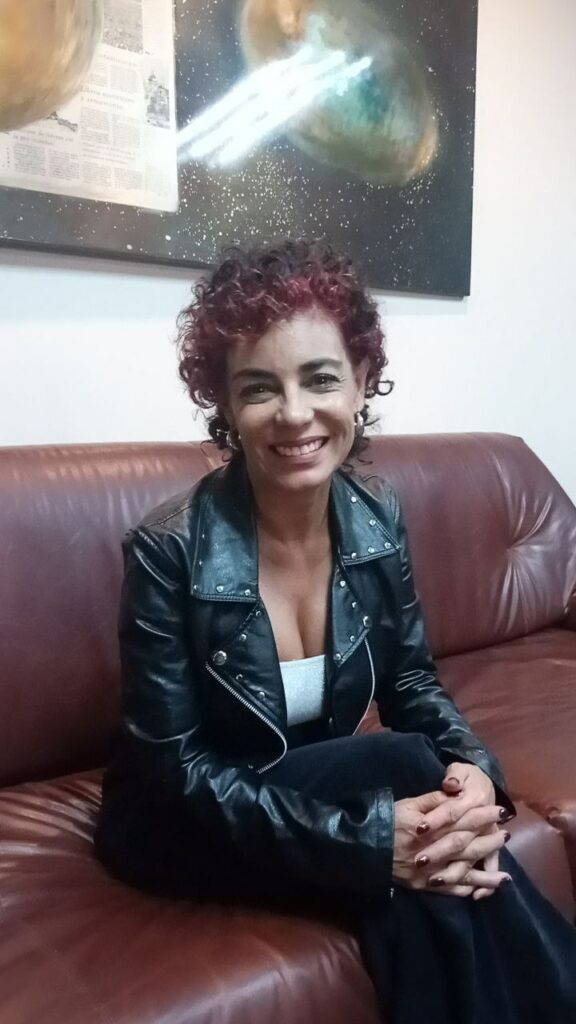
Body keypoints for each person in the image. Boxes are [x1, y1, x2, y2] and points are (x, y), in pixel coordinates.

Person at [95, 239, 576, 1023]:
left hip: (295, 782)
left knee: (422, 802)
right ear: (225, 405)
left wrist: (475, 773)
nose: (294, 413)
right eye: (259, 387)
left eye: (319, 378)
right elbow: (175, 773)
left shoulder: (377, 516)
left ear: (360, 381)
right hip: (178, 820)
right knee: (407, 819)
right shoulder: (168, 548)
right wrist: (368, 842)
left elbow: (410, 680)